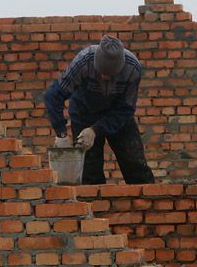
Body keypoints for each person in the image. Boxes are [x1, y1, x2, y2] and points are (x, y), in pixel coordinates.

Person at [44, 35, 154, 185]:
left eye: (108, 75)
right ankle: (96, 206)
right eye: (100, 72)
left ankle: (147, 204)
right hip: (84, 113)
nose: (103, 76)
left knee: (135, 165)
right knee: (90, 174)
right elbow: (53, 95)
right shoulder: (84, 61)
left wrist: (95, 130)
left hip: (117, 116)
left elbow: (126, 109)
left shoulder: (132, 69)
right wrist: (61, 134)